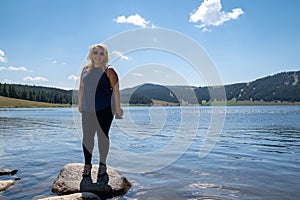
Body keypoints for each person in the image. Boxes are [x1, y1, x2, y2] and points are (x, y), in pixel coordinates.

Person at [78, 43, 123, 177]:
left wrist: (118, 107)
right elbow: (81, 88)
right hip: (87, 109)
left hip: (105, 109)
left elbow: (116, 90)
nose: (98, 56)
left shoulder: (109, 70)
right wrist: (80, 104)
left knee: (102, 137)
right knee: (87, 137)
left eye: (101, 53)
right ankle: (87, 164)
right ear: (91, 55)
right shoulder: (85, 70)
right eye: (95, 53)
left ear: (105, 56)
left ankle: (102, 164)